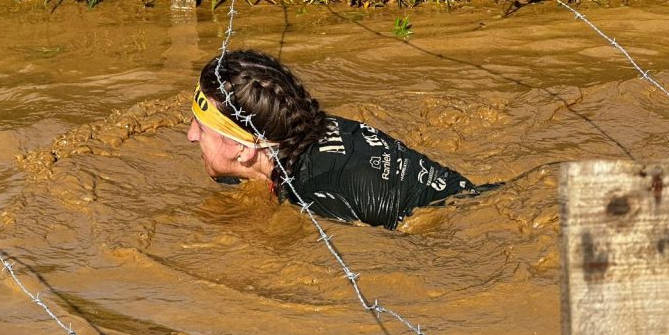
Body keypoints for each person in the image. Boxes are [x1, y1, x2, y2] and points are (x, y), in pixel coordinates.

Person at [187, 49, 495, 230]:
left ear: (242, 148)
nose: (190, 136)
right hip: (479, 202)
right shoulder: (309, 130)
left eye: (201, 129)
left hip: (473, 227)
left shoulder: (316, 196)